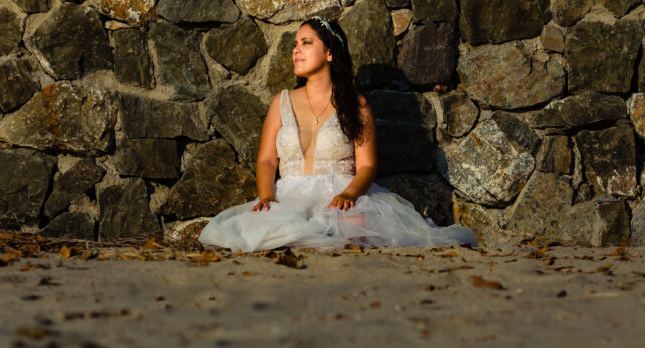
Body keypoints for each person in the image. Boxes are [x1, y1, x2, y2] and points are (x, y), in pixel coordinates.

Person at [198, 16, 477, 252]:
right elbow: (267, 161)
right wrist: (267, 197)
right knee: (259, 228)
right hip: (289, 197)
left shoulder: (356, 105)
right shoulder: (280, 101)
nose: (296, 50)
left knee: (355, 225)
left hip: (339, 196)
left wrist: (349, 195)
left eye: (306, 43)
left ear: (330, 53)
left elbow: (367, 165)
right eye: (295, 44)